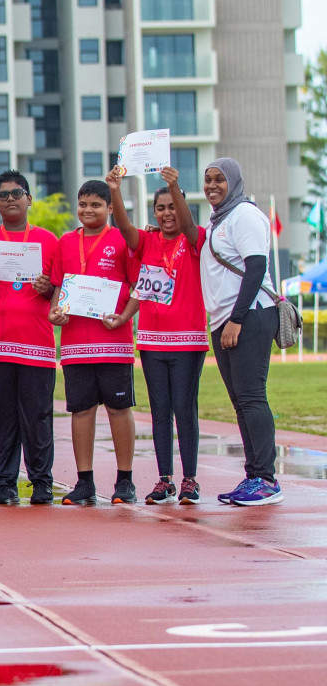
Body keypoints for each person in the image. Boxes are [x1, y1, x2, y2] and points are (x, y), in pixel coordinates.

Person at [108, 166, 205, 505]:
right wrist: (115, 190)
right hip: (151, 340)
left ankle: (190, 479)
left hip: (188, 339)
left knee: (184, 408)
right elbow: (123, 226)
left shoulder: (195, 239)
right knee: (160, 410)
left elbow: (189, 225)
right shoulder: (147, 241)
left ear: (182, 207)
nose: (167, 214)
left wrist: (174, 185)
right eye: (161, 208)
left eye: (173, 207)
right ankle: (165, 480)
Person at [0, 171, 60, 506]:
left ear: (29, 199)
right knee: (3, 417)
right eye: (4, 195)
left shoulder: (49, 241)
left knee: (37, 417)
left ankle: (41, 482)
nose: (11, 199)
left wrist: (47, 288)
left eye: (17, 193)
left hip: (36, 343)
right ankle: (5, 483)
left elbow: (59, 291)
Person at [49, 180, 140, 505]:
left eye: (96, 205)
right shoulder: (65, 242)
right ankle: (84, 481)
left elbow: (136, 286)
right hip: (75, 345)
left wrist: (124, 318)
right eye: (83, 204)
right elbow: (59, 287)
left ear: (111, 208)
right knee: (81, 411)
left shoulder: (122, 240)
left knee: (119, 409)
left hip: (113, 342)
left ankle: (125, 481)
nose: (88, 210)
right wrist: (54, 311)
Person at [199, 157, 283, 506]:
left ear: (233, 182)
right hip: (226, 318)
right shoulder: (220, 219)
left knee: (251, 397)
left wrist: (236, 318)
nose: (212, 186)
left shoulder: (244, 215)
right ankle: (253, 475)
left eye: (220, 179)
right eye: (208, 180)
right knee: (241, 402)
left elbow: (256, 267)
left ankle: (266, 479)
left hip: (248, 316)